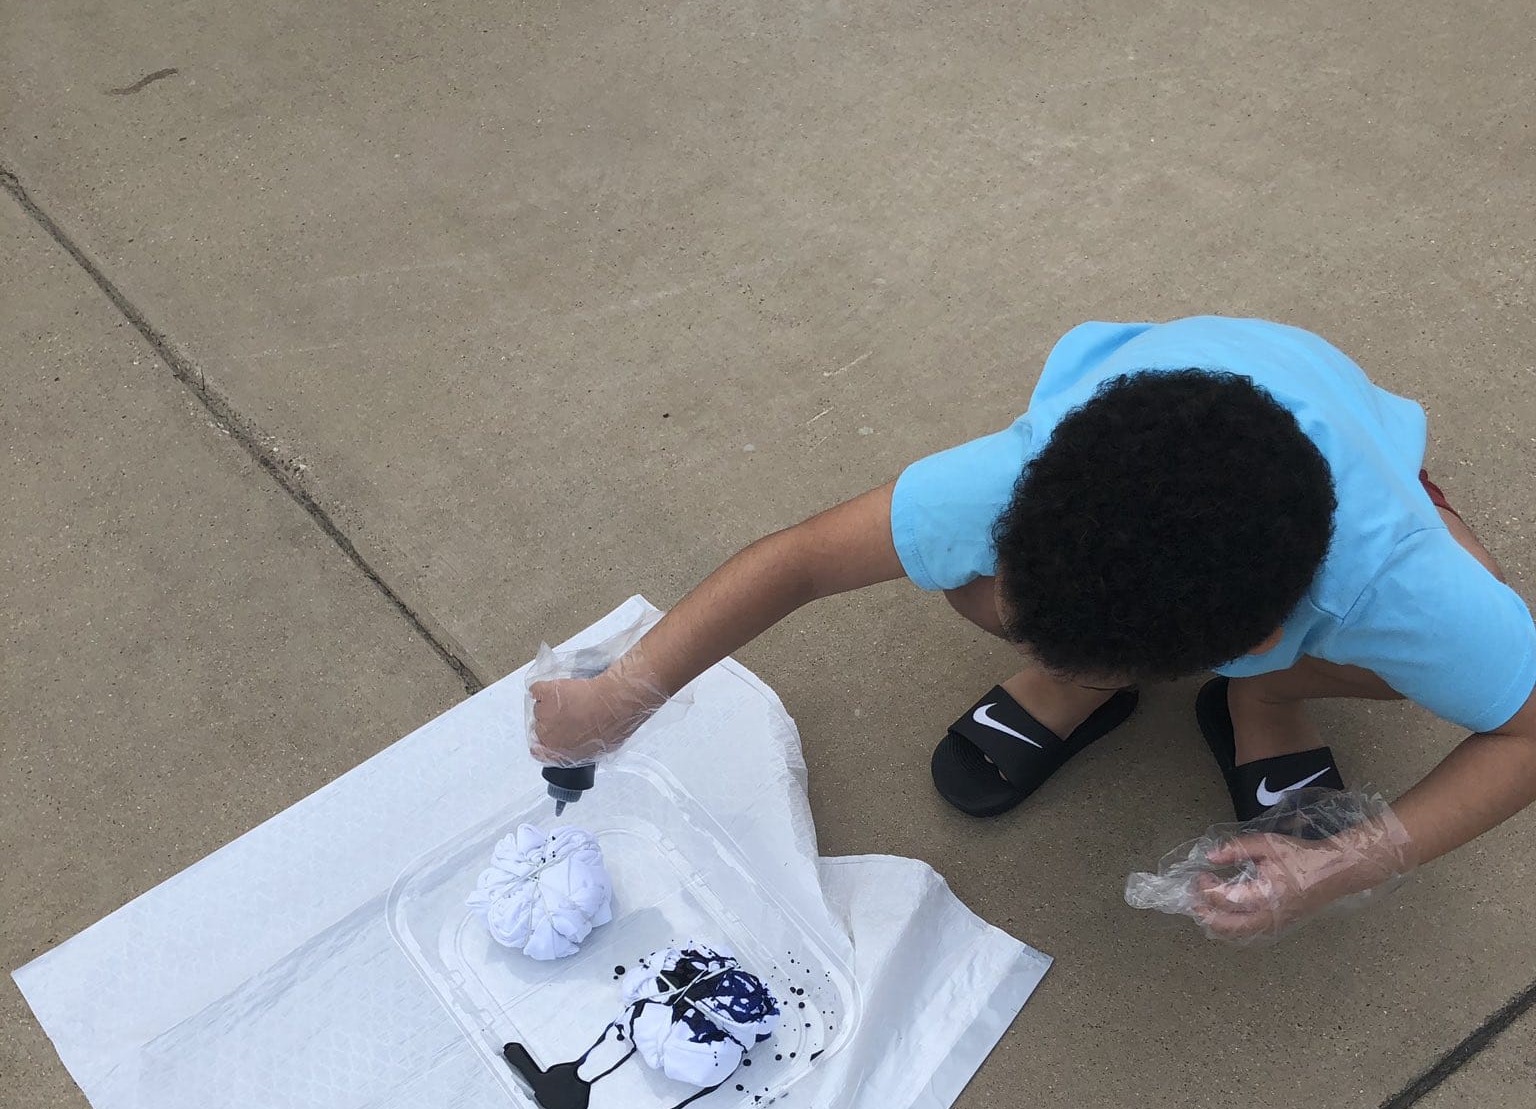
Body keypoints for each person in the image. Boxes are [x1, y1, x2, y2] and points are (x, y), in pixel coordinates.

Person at [531, 317, 1536, 939]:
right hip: (1180, 408)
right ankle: (1089, 680)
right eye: (1044, 642)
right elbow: (800, 559)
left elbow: (1525, 732)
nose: (1019, 636)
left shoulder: (1394, 584)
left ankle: (1264, 696)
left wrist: (1342, 862)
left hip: (1358, 475)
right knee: (963, 575)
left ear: (1262, 630)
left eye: (1073, 652)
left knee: (1456, 637)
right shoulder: (1032, 474)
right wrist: (621, 693)